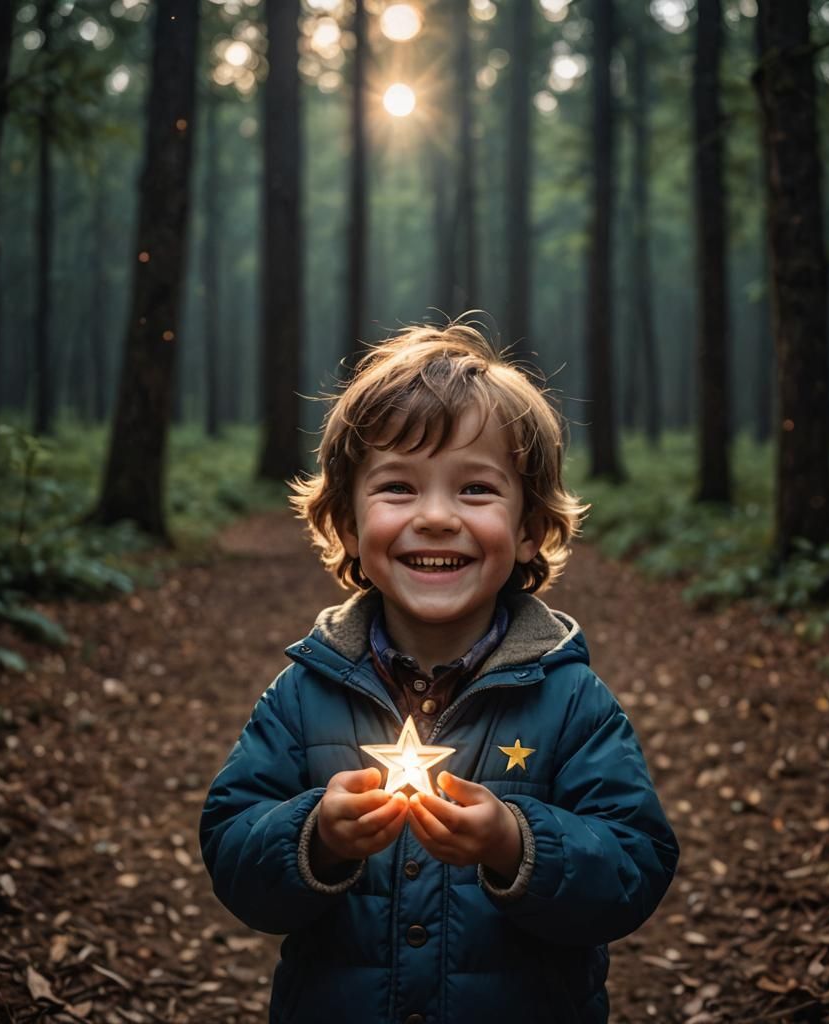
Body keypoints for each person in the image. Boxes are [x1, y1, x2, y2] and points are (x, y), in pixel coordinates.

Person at [200, 323, 679, 1024]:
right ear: (348, 524)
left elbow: (634, 867)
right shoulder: (306, 692)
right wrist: (316, 835)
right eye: (397, 487)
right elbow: (232, 850)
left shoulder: (571, 700)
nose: (434, 517)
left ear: (528, 529)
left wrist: (516, 841)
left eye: (476, 490)